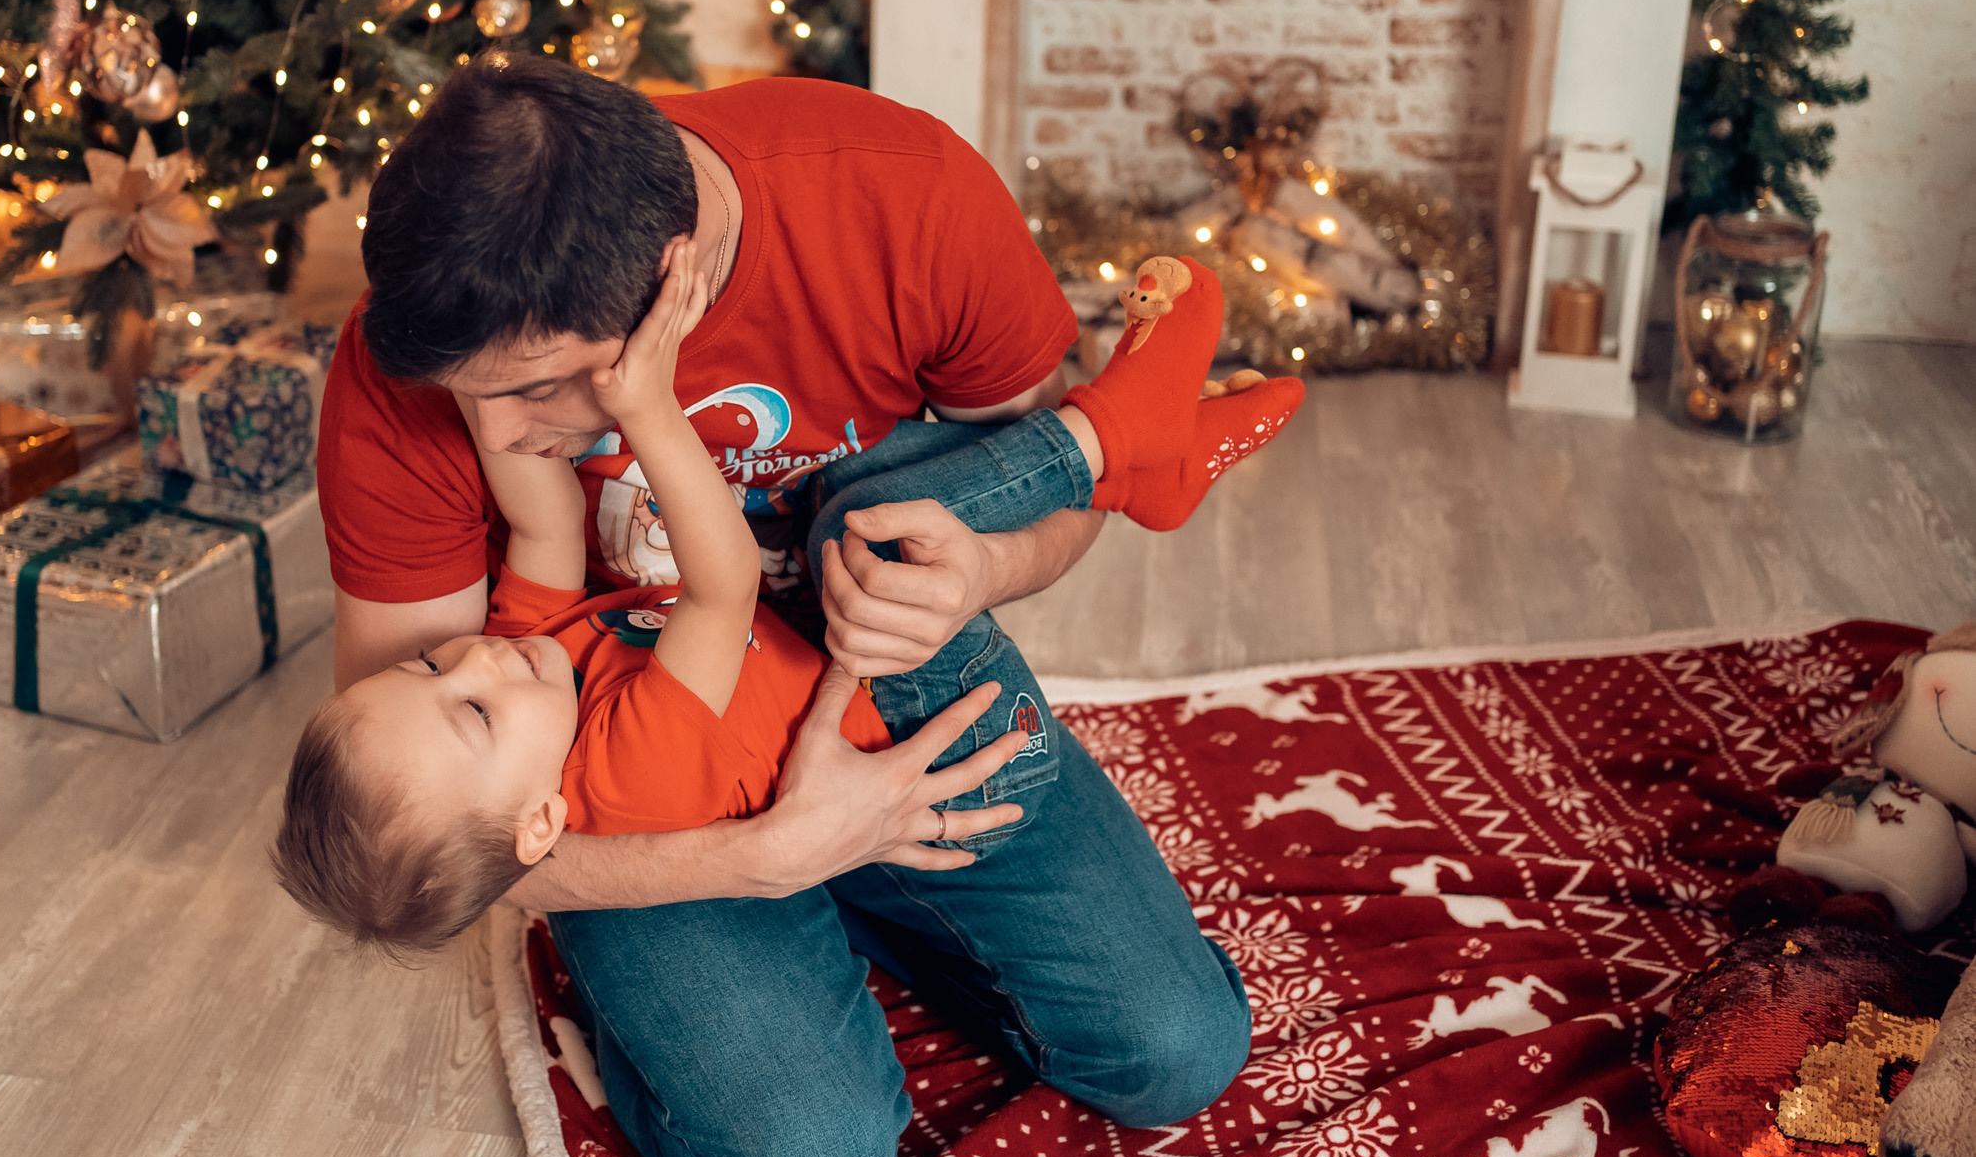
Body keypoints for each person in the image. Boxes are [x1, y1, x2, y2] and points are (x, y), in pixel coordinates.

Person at [314, 54, 1263, 1157]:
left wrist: (985, 570)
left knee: (1174, 1050)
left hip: (893, 687)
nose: (496, 430)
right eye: (473, 398)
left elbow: (1037, 519)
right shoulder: (426, 344)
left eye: (535, 390)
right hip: (670, 829)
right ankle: (805, 913)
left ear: (668, 291)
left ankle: (1113, 448)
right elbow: (435, 829)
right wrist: (765, 855)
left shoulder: (907, 198)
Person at [275, 241, 1300, 954]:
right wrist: (645, 403)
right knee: (870, 518)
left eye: (430, 661)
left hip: (848, 676)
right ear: (542, 819)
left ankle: (1147, 458)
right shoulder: (622, 768)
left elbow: (543, 521)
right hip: (940, 739)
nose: (476, 656)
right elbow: (719, 587)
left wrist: (476, 365)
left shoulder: (522, 664)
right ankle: (1113, 436)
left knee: (865, 500)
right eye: (470, 708)